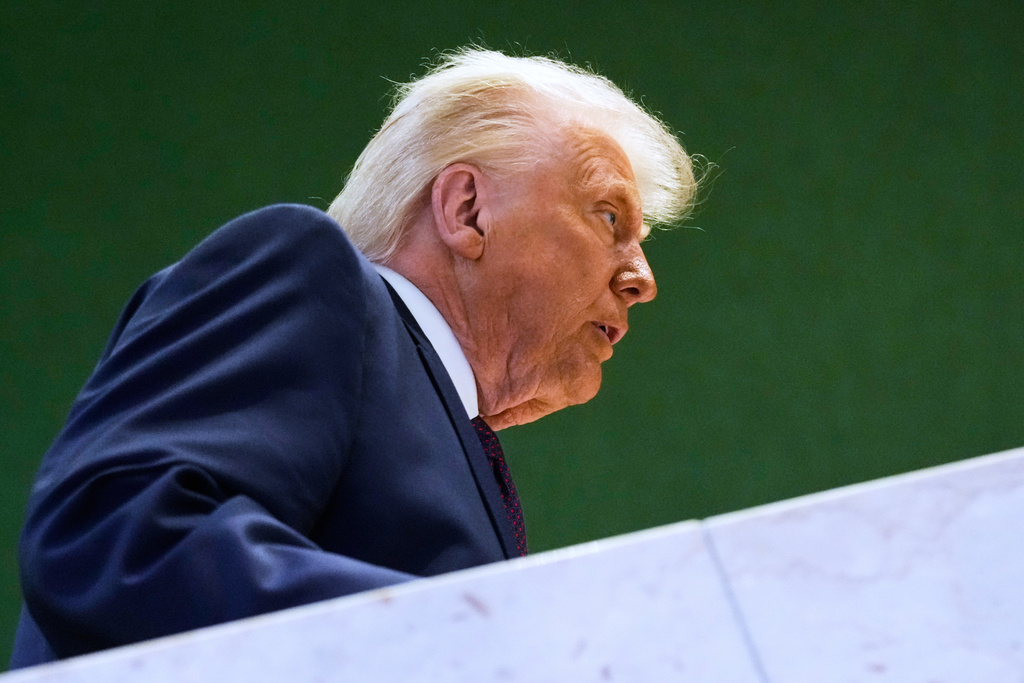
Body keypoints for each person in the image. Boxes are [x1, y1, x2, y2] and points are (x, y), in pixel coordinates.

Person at [10, 48, 696, 668]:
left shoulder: (455, 436)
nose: (642, 277)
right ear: (467, 210)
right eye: (609, 217)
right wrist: (488, 639)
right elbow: (117, 536)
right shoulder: (310, 272)